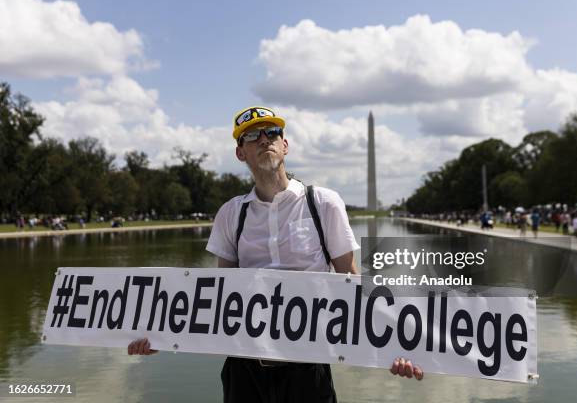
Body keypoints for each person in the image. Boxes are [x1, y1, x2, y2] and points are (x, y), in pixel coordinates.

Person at [127, 106, 423, 402]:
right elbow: (217, 297)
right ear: (240, 153)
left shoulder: (323, 204)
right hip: (244, 368)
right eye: (252, 135)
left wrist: (395, 346)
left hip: (308, 367)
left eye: (272, 132)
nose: (264, 139)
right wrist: (162, 335)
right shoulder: (231, 214)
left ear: (285, 145)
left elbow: (352, 283)